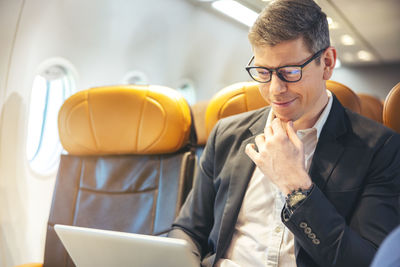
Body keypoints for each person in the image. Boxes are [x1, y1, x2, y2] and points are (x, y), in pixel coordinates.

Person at [169, 0, 400, 266]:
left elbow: (367, 261)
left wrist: (296, 187)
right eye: (263, 72)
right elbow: (187, 230)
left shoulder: (381, 148)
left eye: (290, 72)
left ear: (327, 62)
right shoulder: (226, 135)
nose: (275, 89)